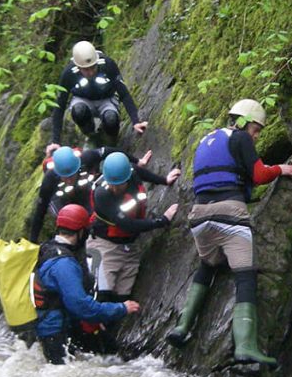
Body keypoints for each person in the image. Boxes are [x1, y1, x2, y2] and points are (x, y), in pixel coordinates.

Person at [165, 98, 292, 366]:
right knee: (245, 275)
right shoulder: (240, 138)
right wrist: (280, 169)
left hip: (199, 216)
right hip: (229, 212)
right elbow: (259, 175)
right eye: (256, 130)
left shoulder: (207, 140)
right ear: (244, 122)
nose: (256, 136)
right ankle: (245, 347)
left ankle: (182, 326)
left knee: (208, 264)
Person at [33, 204, 140, 364]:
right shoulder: (64, 264)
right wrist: (121, 308)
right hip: (56, 333)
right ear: (81, 231)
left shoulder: (47, 248)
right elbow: (80, 306)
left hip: (48, 327)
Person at [28, 145, 180, 243]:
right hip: (64, 200)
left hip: (84, 191)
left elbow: (111, 153)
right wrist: (33, 242)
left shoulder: (86, 158)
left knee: (94, 217)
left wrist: (139, 162)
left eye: (72, 175)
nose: (69, 179)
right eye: (65, 177)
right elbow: (40, 212)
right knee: (73, 222)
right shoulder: (50, 180)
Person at [87, 151, 179, 303]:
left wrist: (164, 180)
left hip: (128, 246)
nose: (115, 188)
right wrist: (162, 221)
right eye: (112, 184)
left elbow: (141, 172)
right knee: (102, 295)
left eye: (119, 184)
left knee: (123, 298)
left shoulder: (131, 172)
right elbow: (127, 225)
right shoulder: (102, 194)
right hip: (104, 245)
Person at [45, 40, 147, 153]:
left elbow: (124, 93)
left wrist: (136, 121)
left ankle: (109, 140)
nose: (90, 72)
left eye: (93, 67)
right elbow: (60, 105)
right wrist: (55, 141)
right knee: (78, 110)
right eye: (86, 69)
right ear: (78, 67)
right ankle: (91, 136)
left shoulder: (107, 65)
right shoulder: (69, 73)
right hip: (82, 99)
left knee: (111, 118)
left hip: (107, 99)